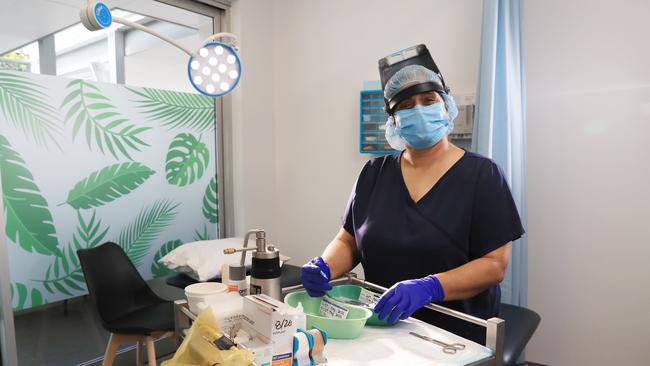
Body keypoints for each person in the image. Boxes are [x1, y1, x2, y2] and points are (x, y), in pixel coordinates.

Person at [301, 44, 524, 343]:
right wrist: (326, 266)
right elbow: (348, 240)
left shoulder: (483, 175)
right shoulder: (374, 173)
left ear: (446, 106)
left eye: (428, 100)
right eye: (404, 105)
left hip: (453, 337)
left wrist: (429, 286)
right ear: (392, 120)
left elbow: (495, 265)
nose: (417, 109)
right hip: (379, 328)